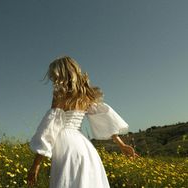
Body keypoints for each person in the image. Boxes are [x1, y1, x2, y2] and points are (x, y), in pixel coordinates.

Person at [27, 56, 139, 188]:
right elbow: (104, 119)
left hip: (66, 145)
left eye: (54, 76)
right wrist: (121, 145)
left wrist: (36, 165)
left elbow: (50, 128)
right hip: (84, 146)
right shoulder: (86, 95)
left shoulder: (60, 94)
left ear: (61, 74)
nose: (53, 80)